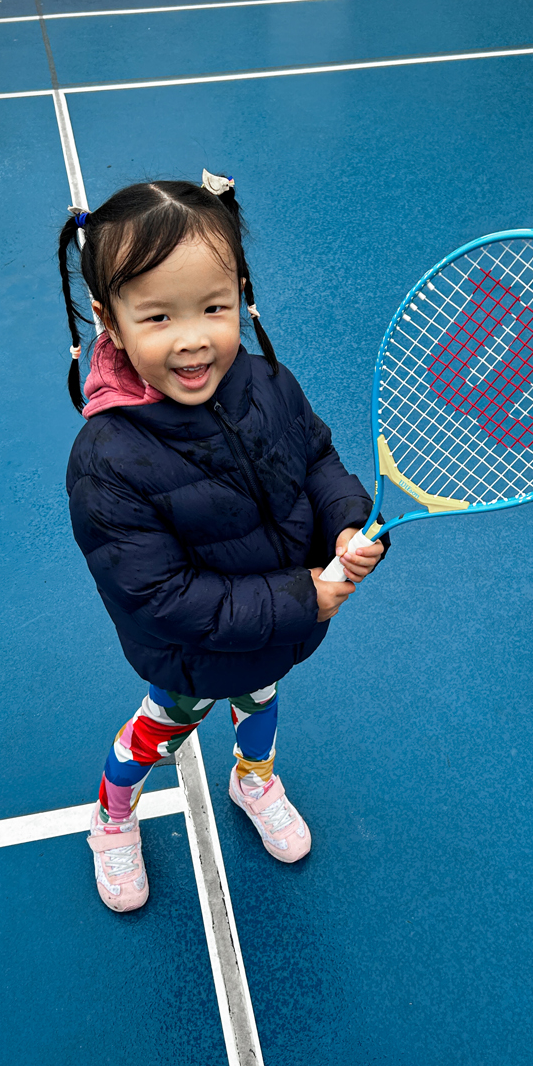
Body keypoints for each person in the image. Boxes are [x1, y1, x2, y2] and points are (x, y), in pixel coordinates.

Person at [62, 171, 388, 911]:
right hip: (194, 650)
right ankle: (112, 820)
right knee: (157, 730)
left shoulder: (268, 380)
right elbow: (159, 596)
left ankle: (253, 781)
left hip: (277, 627)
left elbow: (315, 458)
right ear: (107, 320)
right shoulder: (108, 460)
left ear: (241, 291)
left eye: (214, 307)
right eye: (157, 318)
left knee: (262, 698)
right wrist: (306, 593)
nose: (193, 340)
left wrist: (343, 517)